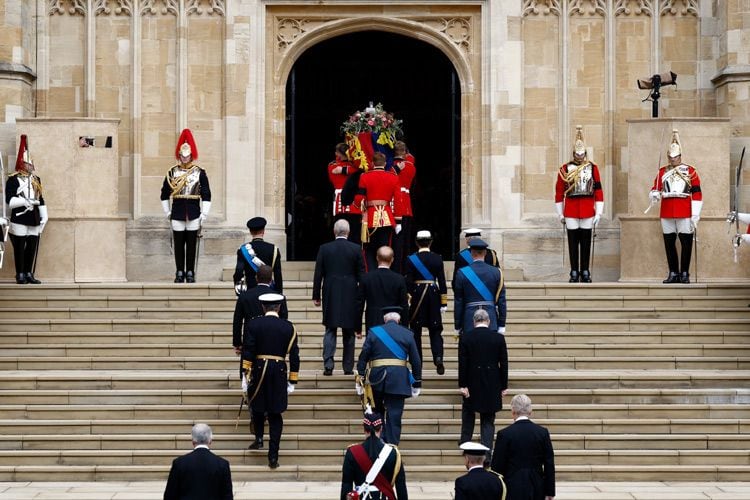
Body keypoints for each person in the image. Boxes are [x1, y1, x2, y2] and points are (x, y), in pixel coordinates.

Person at [241, 293, 299, 468]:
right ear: (279, 307)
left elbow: (248, 350)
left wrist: (245, 373)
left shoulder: (253, 324)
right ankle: (273, 456)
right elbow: (294, 356)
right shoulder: (288, 327)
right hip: (279, 371)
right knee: (275, 413)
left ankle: (259, 438)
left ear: (263, 307)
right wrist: (293, 380)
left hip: (258, 369)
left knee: (258, 407)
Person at [356, 306, 422, 445]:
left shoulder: (374, 332)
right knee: (394, 416)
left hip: (376, 379)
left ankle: (378, 444)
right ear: (399, 319)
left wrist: (360, 378)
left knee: (377, 414)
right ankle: (392, 447)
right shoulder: (407, 334)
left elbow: (363, 358)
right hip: (399, 380)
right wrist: (417, 382)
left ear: (384, 319)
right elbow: (416, 361)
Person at [649, 129, 702, 284]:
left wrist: (695, 214)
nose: (673, 160)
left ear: (680, 156)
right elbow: (655, 188)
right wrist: (654, 194)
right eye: (670, 157)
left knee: (686, 242)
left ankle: (684, 272)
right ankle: (673, 272)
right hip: (667, 210)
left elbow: (697, 193)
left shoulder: (690, 171)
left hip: (685, 210)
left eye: (675, 157)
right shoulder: (662, 171)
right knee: (669, 243)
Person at [313, 219, 365, 376]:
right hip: (350, 292)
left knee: (330, 329)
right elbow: (361, 274)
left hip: (330, 291)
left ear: (334, 232)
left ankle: (328, 364)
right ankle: (348, 367)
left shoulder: (324, 248)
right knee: (349, 331)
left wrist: (316, 295)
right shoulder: (356, 249)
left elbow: (318, 274)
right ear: (348, 232)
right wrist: (362, 295)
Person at [160, 128, 211, 283]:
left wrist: (205, 214)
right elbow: (164, 194)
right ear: (179, 155)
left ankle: (190, 271)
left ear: (191, 155)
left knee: (191, 244)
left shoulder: (199, 172)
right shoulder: (171, 172)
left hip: (194, 211)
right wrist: (167, 212)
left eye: (187, 155)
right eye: (182, 155)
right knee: (178, 244)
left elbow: (207, 194)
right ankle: (179, 271)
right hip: (177, 211)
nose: (184, 158)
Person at [555, 125, 604, 283]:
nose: (580, 156)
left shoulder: (592, 168)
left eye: (582, 153)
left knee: (586, 242)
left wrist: (599, 212)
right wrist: (560, 213)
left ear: (585, 153)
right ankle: (574, 271)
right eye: (577, 153)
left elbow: (598, 190)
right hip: (571, 209)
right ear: (573, 153)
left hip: (587, 208)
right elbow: (558, 192)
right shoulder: (565, 169)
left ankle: (585, 270)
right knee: (572, 242)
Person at [458, 309, 509, 459]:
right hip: (492, 383)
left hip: (472, 382)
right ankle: (487, 452)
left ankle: (465, 445)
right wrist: (504, 385)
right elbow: (504, 363)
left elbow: (463, 363)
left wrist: (463, 384)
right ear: (488, 321)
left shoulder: (466, 338)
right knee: (488, 419)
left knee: (468, 415)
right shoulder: (498, 338)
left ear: (474, 321)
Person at [491, 394, 555, 500]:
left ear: (513, 411)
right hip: (537, 486)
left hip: (512, 486)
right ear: (530, 411)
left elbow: (497, 466)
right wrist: (550, 491)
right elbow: (549, 464)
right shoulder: (542, 433)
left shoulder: (504, 434)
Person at [403, 230, 448, 375]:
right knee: (435, 330)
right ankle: (438, 357)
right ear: (430, 242)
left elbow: (408, 281)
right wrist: (444, 302)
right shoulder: (437, 258)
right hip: (434, 295)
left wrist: (408, 298)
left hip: (417, 296)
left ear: (417, 243)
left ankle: (418, 362)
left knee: (416, 332)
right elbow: (442, 281)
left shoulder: (411, 259)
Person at [5, 134, 46, 284]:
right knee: (20, 247)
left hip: (34, 217)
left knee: (32, 247)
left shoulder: (36, 180)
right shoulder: (13, 179)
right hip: (20, 216)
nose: (32, 166)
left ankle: (29, 272)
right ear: (22, 164)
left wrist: (44, 216)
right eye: (29, 163)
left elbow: (40, 199)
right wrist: (26, 201)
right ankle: (20, 273)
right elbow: (10, 200)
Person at [340, 411, 408, 500]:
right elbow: (401, 487)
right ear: (381, 429)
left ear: (364, 429)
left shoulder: (352, 452)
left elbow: (346, 485)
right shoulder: (393, 452)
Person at [355, 151, 404, 272]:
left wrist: (361, 206)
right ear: (385, 163)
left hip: (370, 218)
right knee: (385, 248)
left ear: (372, 163)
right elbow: (398, 200)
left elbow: (359, 199)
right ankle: (385, 272)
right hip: (386, 218)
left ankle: (371, 274)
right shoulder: (393, 177)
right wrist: (398, 221)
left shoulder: (365, 177)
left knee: (369, 250)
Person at [233, 265, 288, 370]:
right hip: (273, 340)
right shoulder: (279, 297)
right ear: (271, 280)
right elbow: (283, 321)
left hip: (250, 340)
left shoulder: (244, 296)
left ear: (256, 278)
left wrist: (237, 343)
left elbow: (237, 321)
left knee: (249, 374)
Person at [163, 423, 233, 500]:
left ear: (193, 441)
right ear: (210, 441)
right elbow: (227, 496)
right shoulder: (222, 464)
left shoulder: (179, 463)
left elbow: (169, 495)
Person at [453, 238, 507, 335]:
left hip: (469, 320)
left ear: (471, 254)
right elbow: (501, 300)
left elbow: (459, 302)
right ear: (485, 253)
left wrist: (457, 325)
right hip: (490, 319)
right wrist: (502, 324)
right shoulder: (497, 272)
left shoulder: (461, 273)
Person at [357, 246, 409, 333]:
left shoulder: (366, 278)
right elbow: (404, 305)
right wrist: (405, 327)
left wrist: (358, 328)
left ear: (377, 258)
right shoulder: (399, 279)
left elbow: (359, 303)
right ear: (392, 259)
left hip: (372, 320)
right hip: (393, 321)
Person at [233, 216, 283, 295]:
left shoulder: (243, 250)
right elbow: (278, 274)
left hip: (250, 291)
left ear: (250, 232)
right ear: (263, 231)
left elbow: (238, 272)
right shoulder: (274, 249)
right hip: (269, 292)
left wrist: (239, 292)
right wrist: (278, 292)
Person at [328, 142, 362, 245]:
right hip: (347, 202)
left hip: (347, 202)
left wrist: (343, 169)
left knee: (351, 231)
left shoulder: (339, 166)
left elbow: (360, 170)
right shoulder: (334, 166)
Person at [392, 141, 416, 273]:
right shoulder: (410, 165)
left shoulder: (391, 166)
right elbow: (411, 157)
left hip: (394, 205)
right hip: (406, 205)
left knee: (395, 241)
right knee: (405, 242)